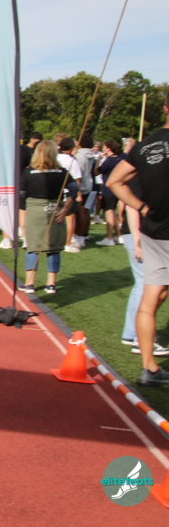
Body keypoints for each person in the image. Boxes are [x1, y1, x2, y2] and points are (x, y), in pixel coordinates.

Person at [107, 94, 169, 386]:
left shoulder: (144, 146)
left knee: (152, 296)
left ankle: (149, 368)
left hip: (154, 230)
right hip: (157, 230)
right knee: (153, 295)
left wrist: (142, 208)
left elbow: (114, 181)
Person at [21, 140, 78, 295]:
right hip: (55, 209)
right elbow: (74, 188)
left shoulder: (28, 171)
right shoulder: (61, 172)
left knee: (33, 247)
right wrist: (66, 208)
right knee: (54, 248)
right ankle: (51, 284)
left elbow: (21, 193)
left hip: (34, 211)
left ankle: (29, 284)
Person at [94, 139, 124, 246]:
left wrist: (98, 159)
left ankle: (109, 237)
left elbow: (96, 172)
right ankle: (119, 236)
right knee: (113, 212)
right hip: (118, 188)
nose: (102, 148)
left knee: (109, 212)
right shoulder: (121, 158)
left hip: (108, 189)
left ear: (108, 148)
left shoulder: (109, 161)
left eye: (104, 147)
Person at [56, 137, 84, 252]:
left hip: (55, 192)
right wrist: (79, 193)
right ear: (71, 148)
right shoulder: (72, 161)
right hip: (68, 193)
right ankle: (68, 243)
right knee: (70, 218)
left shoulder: (55, 158)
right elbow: (77, 180)